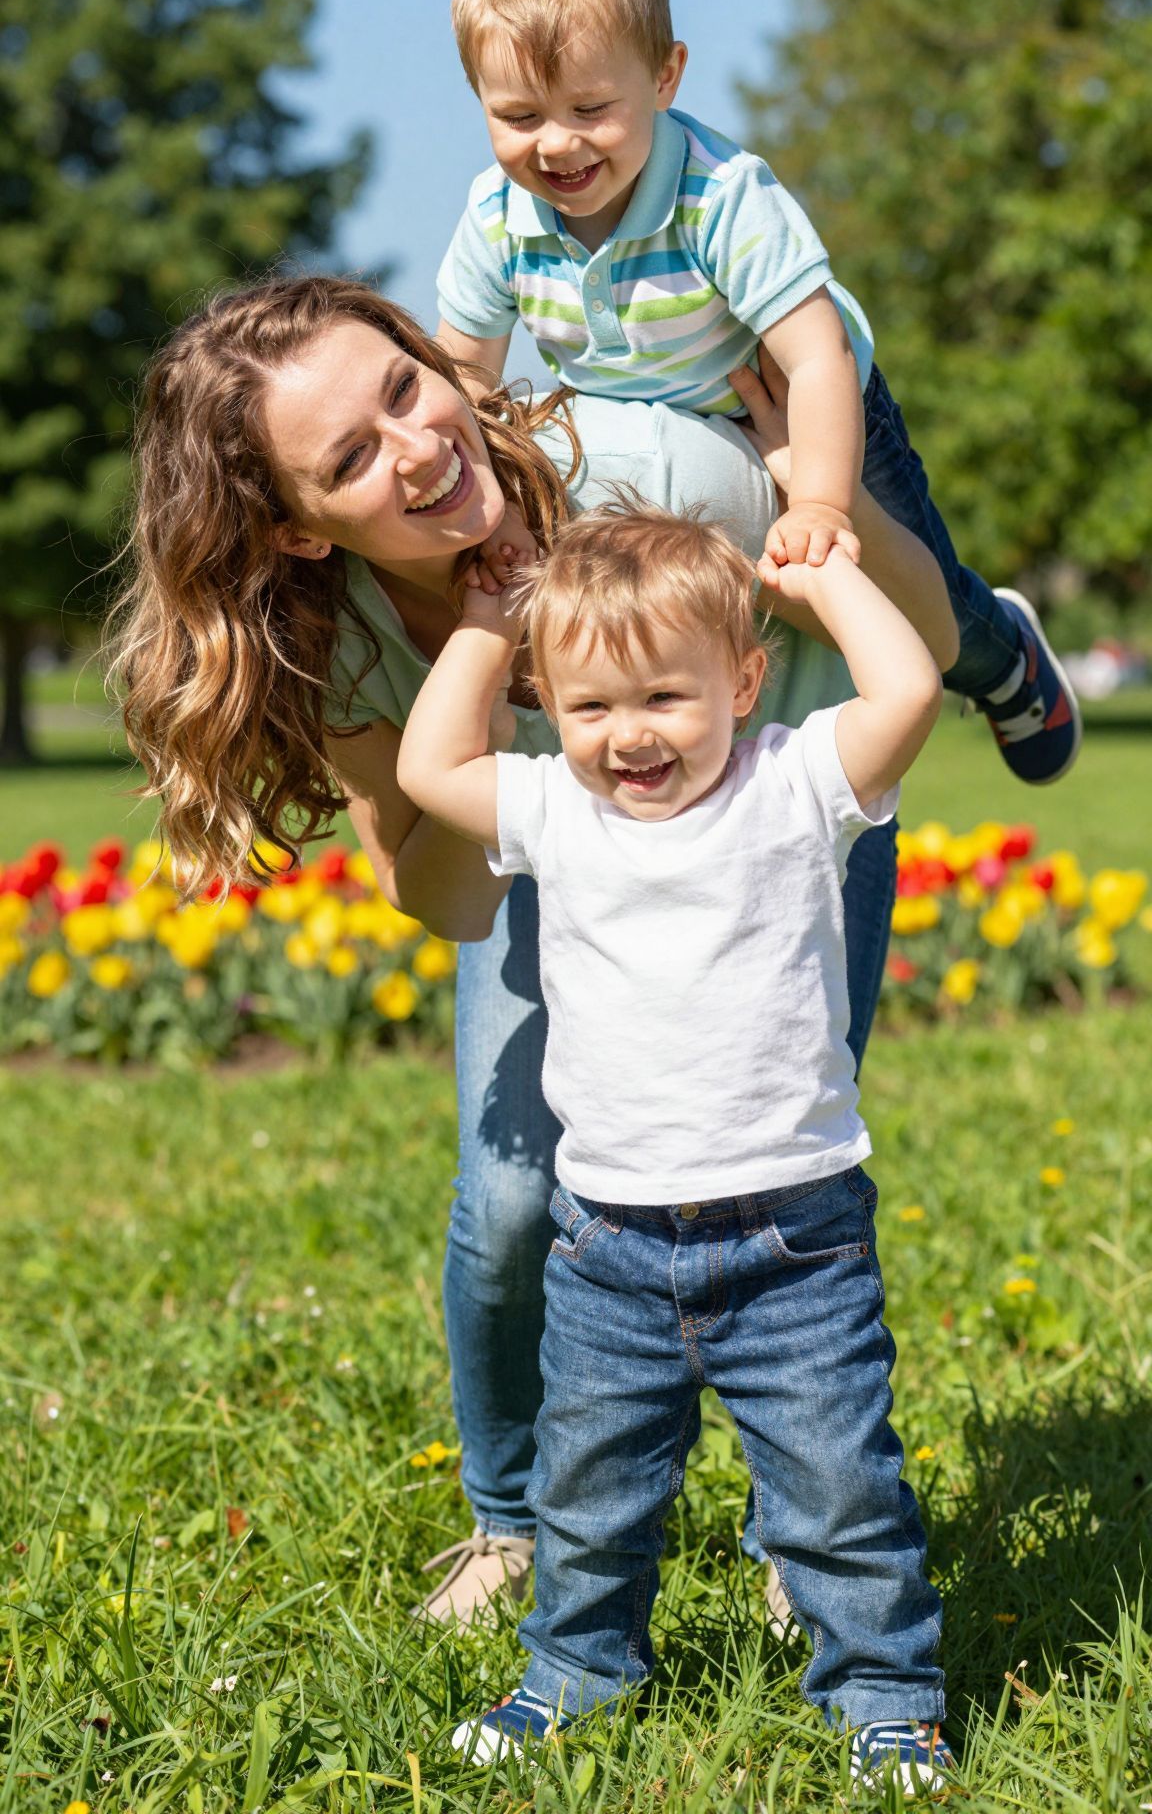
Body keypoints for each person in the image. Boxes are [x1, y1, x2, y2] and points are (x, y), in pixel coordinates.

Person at [114, 274, 956, 1629]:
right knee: (512, 1207)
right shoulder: (336, 637)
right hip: (552, 849)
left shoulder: (646, 468)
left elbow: (932, 639)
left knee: (763, 1175)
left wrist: (823, 497)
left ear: (425, 353)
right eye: (349, 461)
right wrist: (489, 691)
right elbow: (445, 899)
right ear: (298, 527)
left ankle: (805, 1527)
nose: (418, 447)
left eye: (403, 387)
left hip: (772, 843)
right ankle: (512, 1522)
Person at [398, 500, 955, 1797]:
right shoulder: (552, 810)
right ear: (553, 712)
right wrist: (487, 632)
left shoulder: (799, 784)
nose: (628, 737)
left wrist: (828, 575)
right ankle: (573, 1674)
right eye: (589, 709)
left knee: (836, 1497)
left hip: (793, 1247)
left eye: (665, 697)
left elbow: (909, 686)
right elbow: (433, 771)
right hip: (608, 1253)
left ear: (744, 683)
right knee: (587, 1499)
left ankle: (884, 1700)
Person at [436, 0, 1080, 789]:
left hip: (809, 406)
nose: (557, 144)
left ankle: (1001, 657)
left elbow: (814, 354)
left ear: (665, 78)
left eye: (590, 107)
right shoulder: (497, 219)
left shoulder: (720, 196)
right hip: (665, 424)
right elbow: (464, 381)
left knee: (904, 590)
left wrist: (817, 499)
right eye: (519, 116)